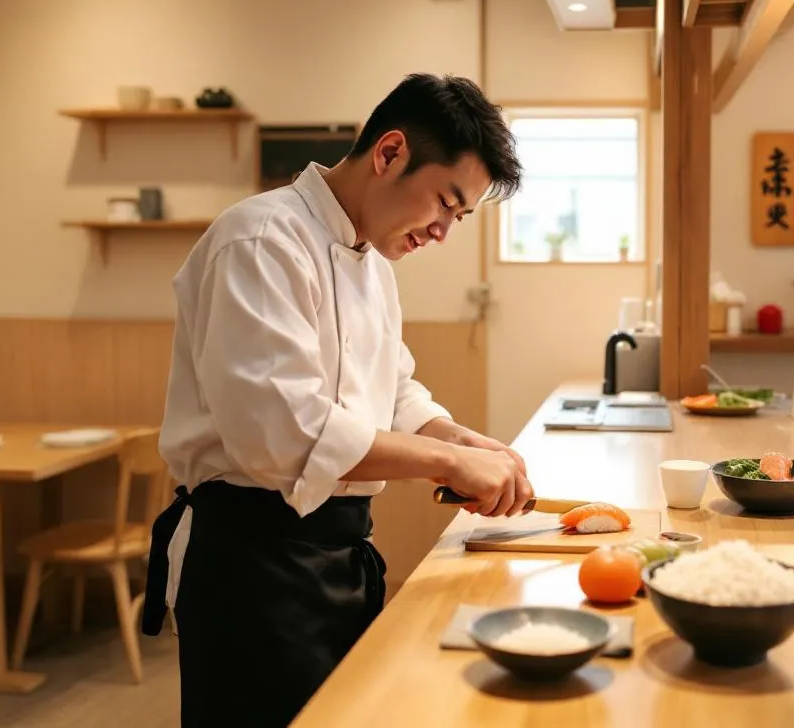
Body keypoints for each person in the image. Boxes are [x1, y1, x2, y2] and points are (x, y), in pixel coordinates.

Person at [140, 73, 534, 728]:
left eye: (458, 218)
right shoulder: (261, 240)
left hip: (340, 551)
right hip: (253, 559)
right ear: (389, 153)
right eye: (445, 202)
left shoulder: (373, 260)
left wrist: (454, 436)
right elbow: (280, 434)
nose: (442, 233)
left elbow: (393, 387)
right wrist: (445, 464)